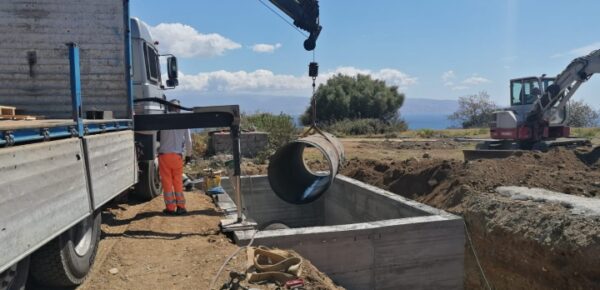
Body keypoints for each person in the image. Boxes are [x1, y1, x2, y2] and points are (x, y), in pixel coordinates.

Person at [158, 99, 192, 215]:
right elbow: (189, 141)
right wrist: (189, 155)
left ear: (168, 107)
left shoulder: (162, 119)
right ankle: (181, 207)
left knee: (167, 183)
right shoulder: (183, 121)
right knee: (178, 182)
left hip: (164, 156)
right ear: (179, 108)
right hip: (177, 156)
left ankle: (170, 208)